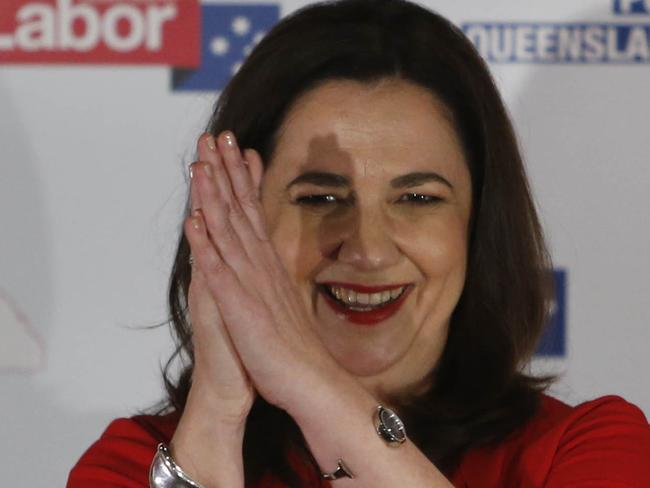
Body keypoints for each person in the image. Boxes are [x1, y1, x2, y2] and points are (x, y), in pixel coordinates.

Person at [67, 0, 650, 486]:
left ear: (477, 227)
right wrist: (217, 418)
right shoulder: (133, 464)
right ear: (235, 217)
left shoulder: (586, 450)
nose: (368, 250)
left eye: (418, 199)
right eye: (320, 198)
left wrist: (310, 382)